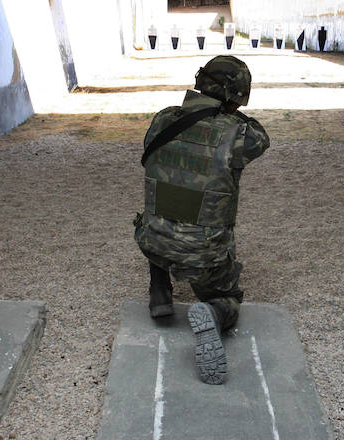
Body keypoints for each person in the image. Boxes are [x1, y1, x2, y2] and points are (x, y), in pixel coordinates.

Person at [134, 55, 269, 385]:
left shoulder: (164, 119)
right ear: (234, 97)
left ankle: (160, 295)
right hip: (203, 255)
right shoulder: (240, 133)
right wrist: (226, 112)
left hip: (152, 240)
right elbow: (262, 137)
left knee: (167, 208)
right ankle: (213, 311)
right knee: (229, 297)